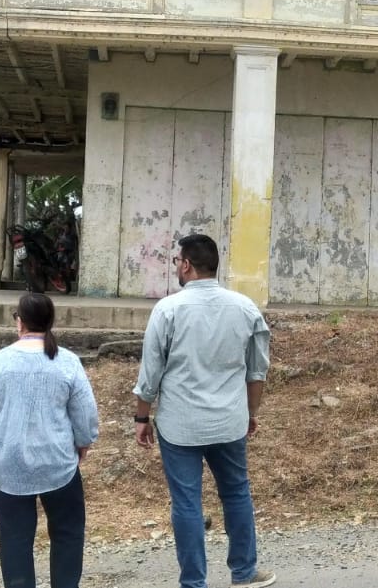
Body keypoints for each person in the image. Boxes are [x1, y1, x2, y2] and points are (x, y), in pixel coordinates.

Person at [134, 234, 275, 588]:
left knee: (187, 503)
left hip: (180, 426)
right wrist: (250, 413)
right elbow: (257, 371)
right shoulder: (245, 308)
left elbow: (150, 373)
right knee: (236, 493)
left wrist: (142, 416)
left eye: (177, 262)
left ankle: (194, 582)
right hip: (229, 421)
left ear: (186, 265)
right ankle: (244, 572)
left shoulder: (168, 309)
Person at [0, 293, 100, 588]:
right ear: (50, 322)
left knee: (14, 539)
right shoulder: (67, 361)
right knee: (67, 533)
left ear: (20, 322)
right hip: (58, 463)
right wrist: (84, 442)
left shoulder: (0, 361)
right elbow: (85, 413)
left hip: (8, 464)